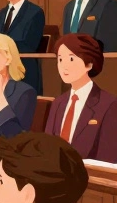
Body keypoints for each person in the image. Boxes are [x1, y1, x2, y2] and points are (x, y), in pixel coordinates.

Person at [46, 33, 117, 161]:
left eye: (71, 59)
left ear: (89, 64)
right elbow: (46, 146)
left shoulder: (109, 105)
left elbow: (108, 158)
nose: (63, 66)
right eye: (60, 59)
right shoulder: (58, 103)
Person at [0, 0, 46, 93]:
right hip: (2, 69)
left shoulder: (35, 12)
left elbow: (30, 44)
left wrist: (4, 48)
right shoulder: (1, 13)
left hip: (24, 68)